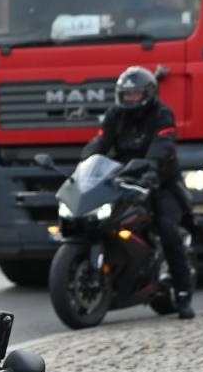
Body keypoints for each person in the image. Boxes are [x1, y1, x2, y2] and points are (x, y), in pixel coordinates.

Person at [82, 65, 195, 319]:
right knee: (98, 220)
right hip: (122, 179)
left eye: (135, 94)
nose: (130, 99)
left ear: (148, 94)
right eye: (127, 94)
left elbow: (163, 144)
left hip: (159, 181)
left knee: (168, 230)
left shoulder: (162, 114)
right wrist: (86, 162)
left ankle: (183, 293)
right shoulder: (114, 115)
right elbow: (101, 142)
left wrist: (152, 167)